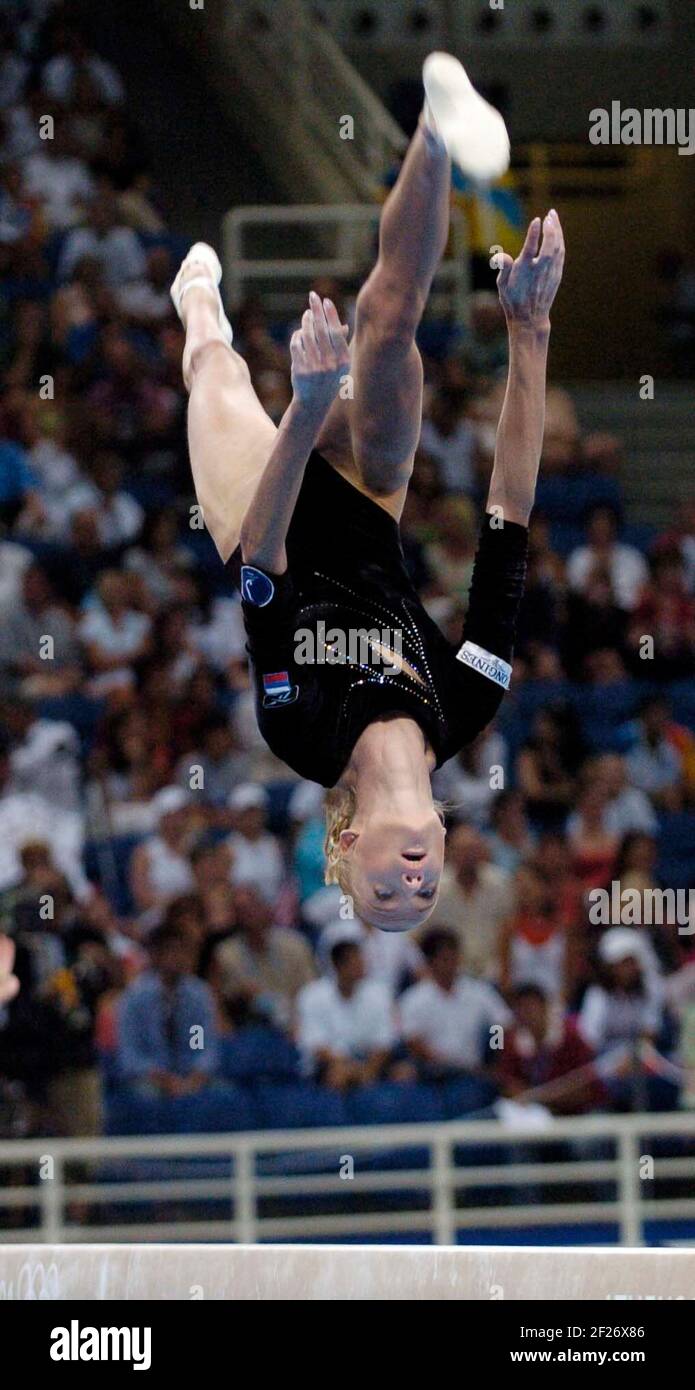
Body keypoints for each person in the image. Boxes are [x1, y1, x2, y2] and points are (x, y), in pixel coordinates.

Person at [171, 52, 564, 931]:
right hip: (365, 498)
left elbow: (265, 568)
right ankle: (432, 121)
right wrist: (527, 332)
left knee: (215, 371)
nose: (414, 885)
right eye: (422, 897)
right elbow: (507, 519)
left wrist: (307, 409)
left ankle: (197, 299)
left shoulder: (300, 735)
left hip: (257, 515)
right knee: (387, 328)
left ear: (344, 851)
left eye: (386, 893)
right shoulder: (467, 703)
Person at [399, 926, 511, 1088]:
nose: (452, 964)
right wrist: (441, 1061)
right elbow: (411, 1040)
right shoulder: (414, 999)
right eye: (445, 959)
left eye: (454, 957)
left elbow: (503, 1024)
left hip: (472, 1073)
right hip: (430, 1075)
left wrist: (494, 1052)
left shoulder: (478, 991)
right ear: (431, 962)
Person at [296, 939, 397, 1089]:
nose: (362, 965)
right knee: (338, 1076)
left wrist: (369, 1070)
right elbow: (314, 1043)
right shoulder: (312, 995)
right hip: (328, 1065)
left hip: (369, 1061)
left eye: (361, 959)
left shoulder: (379, 993)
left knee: (404, 1073)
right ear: (338, 966)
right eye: (355, 961)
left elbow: (385, 1039)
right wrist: (345, 1065)